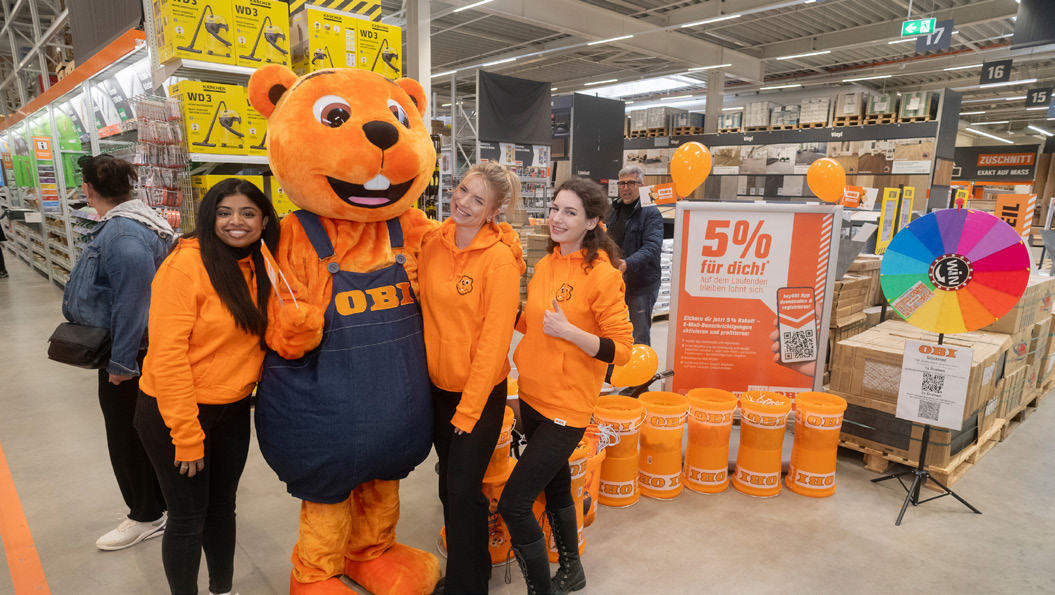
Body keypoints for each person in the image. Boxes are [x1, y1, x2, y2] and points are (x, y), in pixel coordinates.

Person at [134, 178, 279, 595]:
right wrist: (186, 435)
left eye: (248, 213)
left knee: (222, 509)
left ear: (264, 219)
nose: (236, 222)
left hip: (231, 409)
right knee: (187, 517)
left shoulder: (263, 264)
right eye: (224, 212)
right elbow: (168, 357)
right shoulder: (185, 266)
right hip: (174, 412)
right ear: (209, 217)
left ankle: (223, 589)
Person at [500, 177, 634, 595]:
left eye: (570, 212)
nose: (557, 218)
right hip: (533, 395)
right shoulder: (547, 263)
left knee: (514, 503)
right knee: (556, 485)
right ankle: (571, 569)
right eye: (556, 208)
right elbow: (535, 322)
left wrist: (571, 332)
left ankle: (541, 590)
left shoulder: (603, 276)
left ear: (592, 221)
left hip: (567, 406)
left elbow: (623, 350)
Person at [419, 162, 525, 595]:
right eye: (463, 190)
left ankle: (466, 587)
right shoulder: (433, 243)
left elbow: (493, 344)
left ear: (494, 211)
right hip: (438, 390)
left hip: (477, 397)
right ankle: (474, 569)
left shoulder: (499, 261)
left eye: (477, 199)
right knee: (450, 486)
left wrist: (469, 409)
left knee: (463, 491)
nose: (462, 202)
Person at [62, 154, 174, 550]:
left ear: (89, 190)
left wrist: (123, 364)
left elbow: (133, 303)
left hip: (130, 356)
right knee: (141, 432)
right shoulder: (138, 221)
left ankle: (145, 514)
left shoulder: (124, 235)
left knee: (125, 436)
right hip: (136, 352)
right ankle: (156, 504)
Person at [606, 165, 664, 346]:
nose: (625, 188)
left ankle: (642, 373)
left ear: (641, 185)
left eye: (631, 183)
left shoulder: (651, 213)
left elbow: (652, 246)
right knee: (615, 331)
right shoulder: (614, 210)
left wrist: (627, 264)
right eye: (622, 183)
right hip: (616, 283)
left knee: (639, 336)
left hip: (641, 285)